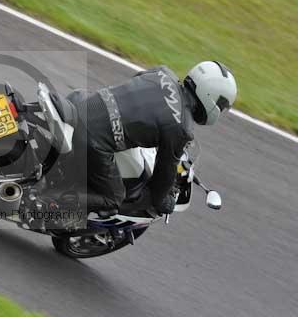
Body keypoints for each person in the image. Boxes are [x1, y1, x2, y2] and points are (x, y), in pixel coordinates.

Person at [66, 61, 237, 218]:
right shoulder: (181, 129)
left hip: (81, 104)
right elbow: (164, 174)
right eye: (221, 107)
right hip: (93, 138)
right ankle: (47, 209)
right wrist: (162, 200)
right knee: (114, 198)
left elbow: (136, 94)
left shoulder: (162, 73)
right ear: (211, 98)